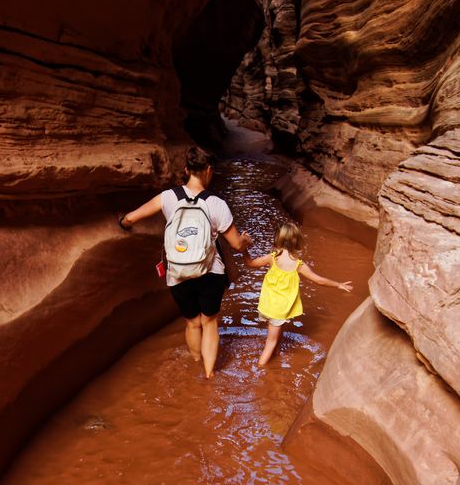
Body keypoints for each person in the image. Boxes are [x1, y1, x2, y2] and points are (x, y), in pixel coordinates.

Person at [119, 147, 252, 378]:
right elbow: (236, 245)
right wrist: (246, 242)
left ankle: (195, 360)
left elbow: (131, 218)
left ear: (186, 169)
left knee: (192, 322)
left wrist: (122, 223)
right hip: (210, 272)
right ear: (209, 170)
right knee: (209, 321)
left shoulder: (168, 197)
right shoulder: (217, 204)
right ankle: (209, 372)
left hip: (178, 272)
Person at [243, 221, 353, 368]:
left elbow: (250, 263)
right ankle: (259, 369)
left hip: (268, 305)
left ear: (278, 239)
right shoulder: (298, 265)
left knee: (276, 337)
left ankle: (275, 358)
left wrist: (243, 248)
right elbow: (319, 280)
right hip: (279, 310)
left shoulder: (272, 258)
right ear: (297, 241)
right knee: (271, 341)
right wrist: (338, 284)